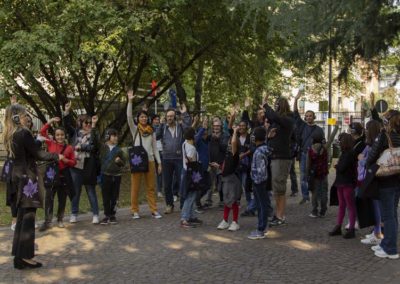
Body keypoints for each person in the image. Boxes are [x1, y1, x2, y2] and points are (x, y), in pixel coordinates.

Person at [3, 103, 61, 269]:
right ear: (16, 117)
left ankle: (19, 257)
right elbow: (38, 154)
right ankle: (26, 257)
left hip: (16, 178)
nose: (26, 117)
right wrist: (57, 155)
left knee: (22, 218)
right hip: (27, 179)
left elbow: (27, 151)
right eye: (23, 114)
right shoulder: (22, 133)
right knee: (28, 218)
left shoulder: (10, 134)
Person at [366, 110, 400, 259]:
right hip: (398, 178)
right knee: (392, 213)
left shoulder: (384, 136)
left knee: (388, 215)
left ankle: (390, 248)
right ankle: (386, 243)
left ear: (387, 121)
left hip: (386, 179)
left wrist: (367, 164)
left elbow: (372, 155)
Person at [127, 90, 162, 219]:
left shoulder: (152, 131)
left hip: (151, 160)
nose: (144, 118)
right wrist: (130, 101)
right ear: (138, 119)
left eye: (145, 117)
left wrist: (159, 163)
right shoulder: (135, 129)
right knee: (135, 187)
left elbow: (155, 148)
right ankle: (135, 210)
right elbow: (129, 117)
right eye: (141, 117)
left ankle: (154, 210)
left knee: (151, 187)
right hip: (137, 160)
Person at [64, 102, 101, 224]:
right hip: (76, 165)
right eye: (87, 123)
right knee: (76, 190)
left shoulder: (94, 133)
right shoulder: (75, 133)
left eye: (90, 123)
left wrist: (82, 147)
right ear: (81, 123)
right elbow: (66, 125)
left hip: (89, 165)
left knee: (90, 190)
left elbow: (94, 147)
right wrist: (67, 112)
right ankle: (74, 213)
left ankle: (95, 214)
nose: (89, 125)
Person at [39, 117, 76, 231]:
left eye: (62, 135)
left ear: (65, 136)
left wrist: (66, 160)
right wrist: (50, 122)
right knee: (49, 198)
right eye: (57, 135)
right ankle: (47, 221)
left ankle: (60, 219)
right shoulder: (50, 144)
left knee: (62, 199)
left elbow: (74, 162)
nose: (60, 137)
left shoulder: (69, 148)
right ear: (54, 136)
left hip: (63, 176)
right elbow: (42, 132)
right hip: (51, 175)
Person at [263, 95, 295, 227]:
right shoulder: (277, 122)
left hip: (282, 158)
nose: (275, 107)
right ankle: (278, 214)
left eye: (277, 105)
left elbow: (275, 117)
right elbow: (269, 137)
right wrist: (268, 136)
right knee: (276, 188)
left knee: (279, 188)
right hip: (274, 157)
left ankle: (280, 216)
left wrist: (266, 105)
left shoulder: (288, 120)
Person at [156, 100, 191, 214]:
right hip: (166, 159)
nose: (170, 118)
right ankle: (169, 204)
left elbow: (188, 127)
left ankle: (182, 205)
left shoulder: (180, 127)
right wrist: (160, 125)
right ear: (165, 117)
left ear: (175, 117)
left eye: (171, 116)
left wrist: (185, 114)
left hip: (179, 158)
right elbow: (155, 136)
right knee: (167, 183)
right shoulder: (163, 128)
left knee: (182, 181)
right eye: (168, 116)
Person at [293, 90, 325, 204]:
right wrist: (296, 99)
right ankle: (305, 196)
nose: (308, 117)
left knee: (315, 175)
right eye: (306, 116)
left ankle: (316, 195)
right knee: (303, 176)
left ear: (314, 117)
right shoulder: (302, 126)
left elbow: (323, 143)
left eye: (310, 116)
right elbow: (296, 113)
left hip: (314, 156)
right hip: (303, 154)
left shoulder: (319, 130)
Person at [358, 120, 383, 245]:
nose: (365, 130)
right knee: (376, 207)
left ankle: (378, 234)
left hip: (374, 178)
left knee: (377, 208)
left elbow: (366, 161)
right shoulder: (371, 144)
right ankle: (376, 232)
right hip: (373, 178)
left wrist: (362, 159)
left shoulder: (375, 145)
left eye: (367, 128)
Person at [329, 133, 357, 239]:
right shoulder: (346, 153)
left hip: (347, 183)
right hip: (342, 182)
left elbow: (342, 167)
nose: (339, 143)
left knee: (349, 206)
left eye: (340, 141)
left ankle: (351, 229)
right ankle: (339, 226)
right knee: (342, 205)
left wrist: (337, 166)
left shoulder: (349, 153)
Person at [247, 127, 271, 239]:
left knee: (261, 205)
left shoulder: (259, 151)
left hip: (259, 182)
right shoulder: (265, 149)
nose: (252, 136)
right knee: (263, 204)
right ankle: (263, 227)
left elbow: (261, 170)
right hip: (262, 182)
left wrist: (256, 181)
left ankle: (261, 229)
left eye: (253, 134)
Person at [217, 126, 241, 231]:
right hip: (225, 178)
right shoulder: (228, 153)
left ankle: (235, 221)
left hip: (232, 179)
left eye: (231, 140)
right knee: (227, 200)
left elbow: (234, 142)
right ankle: (225, 220)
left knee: (233, 200)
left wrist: (235, 131)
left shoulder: (234, 153)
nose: (230, 141)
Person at [99, 128, 126, 225]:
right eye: (113, 135)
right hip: (105, 175)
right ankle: (106, 215)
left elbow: (124, 164)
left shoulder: (119, 150)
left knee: (114, 196)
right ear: (108, 136)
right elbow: (94, 140)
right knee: (106, 196)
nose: (115, 137)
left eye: (116, 136)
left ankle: (112, 215)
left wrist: (120, 162)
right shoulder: (102, 148)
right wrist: (93, 126)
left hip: (116, 176)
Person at [180, 127, 203, 228]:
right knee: (191, 196)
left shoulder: (184, 144)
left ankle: (191, 216)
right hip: (192, 174)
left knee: (191, 195)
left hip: (186, 172)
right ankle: (184, 218)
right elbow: (190, 160)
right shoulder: (192, 148)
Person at [152, 115, 164, 198]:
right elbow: (156, 136)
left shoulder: (162, 127)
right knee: (154, 172)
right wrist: (161, 125)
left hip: (162, 152)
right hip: (153, 153)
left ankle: (160, 190)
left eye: (158, 119)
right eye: (155, 119)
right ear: (152, 120)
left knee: (160, 172)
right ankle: (154, 190)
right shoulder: (150, 128)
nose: (157, 121)